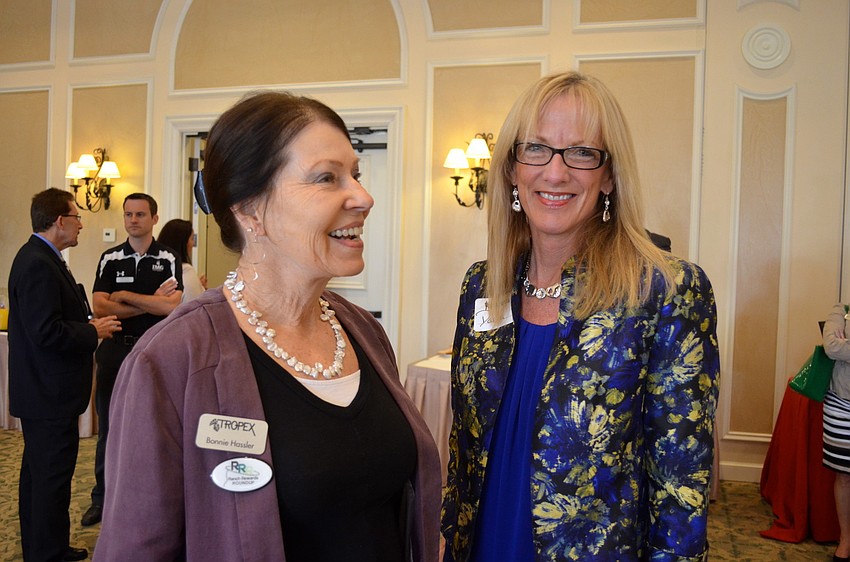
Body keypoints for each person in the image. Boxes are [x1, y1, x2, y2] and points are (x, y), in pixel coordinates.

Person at [93, 91, 442, 561]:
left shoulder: (362, 331)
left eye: (355, 175)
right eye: (327, 178)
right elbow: (136, 547)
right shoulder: (173, 358)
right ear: (249, 208)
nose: (363, 196)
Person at [441, 71, 720, 561]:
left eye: (582, 153)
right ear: (511, 169)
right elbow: (463, 447)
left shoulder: (664, 290)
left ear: (609, 174)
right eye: (537, 149)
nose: (555, 172)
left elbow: (682, 490)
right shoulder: (481, 286)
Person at [8, 188, 121, 561]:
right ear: (60, 221)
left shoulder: (42, 257)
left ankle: (47, 547)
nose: (81, 226)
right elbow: (46, 332)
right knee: (49, 479)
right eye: (77, 218)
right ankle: (46, 554)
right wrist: (94, 332)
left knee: (42, 477)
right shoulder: (39, 263)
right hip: (48, 394)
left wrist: (87, 323)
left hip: (45, 392)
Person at [80, 193, 183, 527]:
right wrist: (148, 302)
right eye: (128, 214)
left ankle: (151, 498)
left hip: (155, 351)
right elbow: (100, 307)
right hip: (115, 350)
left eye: (140, 214)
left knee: (155, 425)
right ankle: (103, 498)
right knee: (110, 425)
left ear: (154, 218)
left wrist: (123, 296)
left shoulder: (169, 257)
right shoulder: (110, 258)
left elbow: (172, 306)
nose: (133, 220)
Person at [822, 304, 850, 562]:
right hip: (842, 406)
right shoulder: (840, 310)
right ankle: (846, 539)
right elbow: (832, 347)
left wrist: (847, 347)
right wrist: (840, 346)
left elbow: (841, 349)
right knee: (844, 475)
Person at [157, 218, 208, 302]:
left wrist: (198, 286)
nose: (193, 244)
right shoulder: (186, 270)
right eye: (192, 239)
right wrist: (199, 288)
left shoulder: (157, 269)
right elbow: (194, 308)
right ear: (183, 243)